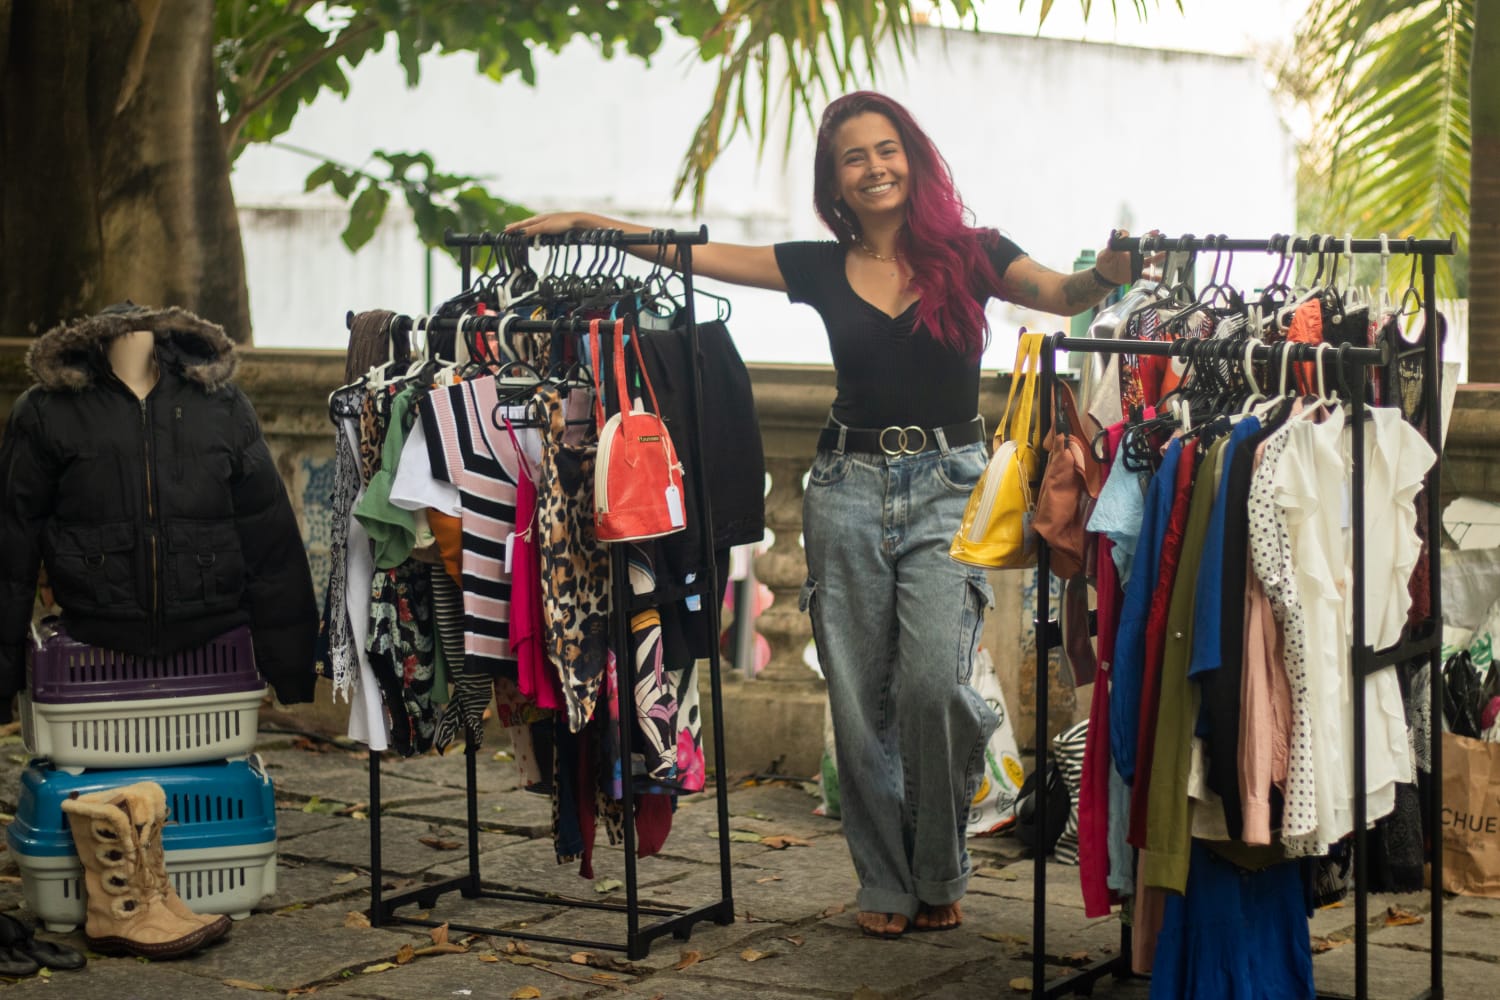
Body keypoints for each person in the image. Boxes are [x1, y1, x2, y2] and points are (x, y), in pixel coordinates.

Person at [508, 90, 1133, 939]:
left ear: (913, 159)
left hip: (949, 487)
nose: (875, 168)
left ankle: (940, 861)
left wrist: (1106, 274)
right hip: (845, 486)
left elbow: (1062, 293)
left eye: (887, 150)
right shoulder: (816, 265)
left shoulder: (975, 254)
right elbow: (699, 257)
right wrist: (594, 223)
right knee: (857, 699)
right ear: (835, 182)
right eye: (854, 158)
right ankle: (885, 881)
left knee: (934, 686)